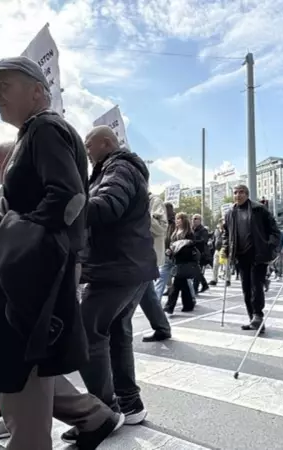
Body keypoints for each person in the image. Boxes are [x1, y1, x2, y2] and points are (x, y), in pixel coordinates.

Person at [0, 56, 120, 450]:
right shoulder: (33, 131)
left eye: (5, 86)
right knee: (25, 366)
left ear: (38, 91)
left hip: (32, 272)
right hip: (31, 268)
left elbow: (69, 199)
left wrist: (13, 234)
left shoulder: (45, 128)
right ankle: (94, 417)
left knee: (21, 371)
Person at [79, 124, 159, 428]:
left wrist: (69, 202)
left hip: (117, 268)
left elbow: (108, 206)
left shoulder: (119, 167)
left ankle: (103, 412)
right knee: (116, 333)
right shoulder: (115, 169)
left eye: (89, 145)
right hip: (128, 266)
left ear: (105, 142)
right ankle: (129, 404)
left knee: (88, 333)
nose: (86, 151)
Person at [220, 184, 281, 332]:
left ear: (247, 194)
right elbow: (226, 234)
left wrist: (269, 246)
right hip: (240, 256)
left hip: (257, 254)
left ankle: (258, 315)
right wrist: (225, 247)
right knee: (246, 289)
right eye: (235, 192)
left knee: (256, 286)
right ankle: (253, 319)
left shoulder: (258, 209)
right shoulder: (230, 213)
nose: (238, 195)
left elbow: (274, 230)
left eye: (241, 192)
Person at [139, 192, 172, 342]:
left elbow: (161, 228)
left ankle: (162, 328)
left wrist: (142, 214)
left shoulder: (154, 201)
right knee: (147, 295)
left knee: (135, 295)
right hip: (138, 255)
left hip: (147, 255)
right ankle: (162, 327)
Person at [165, 212, 199, 314]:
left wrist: (179, 248)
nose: (177, 221)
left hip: (185, 261)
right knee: (183, 284)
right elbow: (171, 245)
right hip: (176, 260)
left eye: (179, 219)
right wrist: (170, 251)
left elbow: (191, 246)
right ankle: (188, 304)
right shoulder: (175, 232)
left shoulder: (189, 233)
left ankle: (169, 306)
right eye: (176, 219)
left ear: (184, 220)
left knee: (176, 285)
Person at [191, 214, 210, 294]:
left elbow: (204, 241)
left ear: (200, 220)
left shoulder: (203, 230)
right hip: (193, 252)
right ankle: (204, 284)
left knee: (197, 271)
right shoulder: (192, 229)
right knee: (197, 271)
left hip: (201, 253)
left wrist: (193, 242)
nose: (194, 220)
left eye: (196, 219)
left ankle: (195, 289)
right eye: (193, 219)